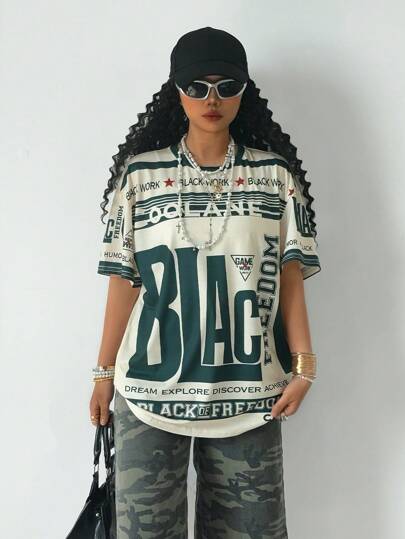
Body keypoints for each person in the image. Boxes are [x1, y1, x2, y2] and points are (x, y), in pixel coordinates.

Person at [90, 26, 321, 539]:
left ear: (244, 91)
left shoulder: (275, 178)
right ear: (176, 91)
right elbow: (124, 283)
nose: (211, 99)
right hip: (150, 394)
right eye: (196, 86)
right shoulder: (140, 178)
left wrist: (304, 366)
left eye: (226, 86)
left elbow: (290, 278)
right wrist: (102, 373)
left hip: (250, 393)